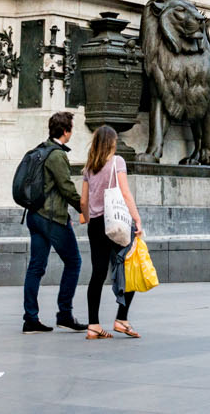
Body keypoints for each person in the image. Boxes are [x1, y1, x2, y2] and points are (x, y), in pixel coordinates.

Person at [77, 125, 145, 340]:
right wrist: (136, 218)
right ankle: (121, 319)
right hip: (116, 223)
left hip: (95, 225)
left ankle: (93, 325)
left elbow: (84, 200)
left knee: (97, 274)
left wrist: (86, 218)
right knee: (129, 267)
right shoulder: (117, 162)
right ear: (112, 143)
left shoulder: (89, 167)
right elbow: (125, 192)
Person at [21, 110, 82, 334]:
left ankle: (30, 318)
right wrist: (85, 208)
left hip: (35, 216)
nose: (71, 133)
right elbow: (66, 188)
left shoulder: (42, 149)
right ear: (66, 131)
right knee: (74, 262)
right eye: (71, 129)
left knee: (36, 267)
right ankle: (64, 314)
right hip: (51, 218)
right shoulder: (57, 155)